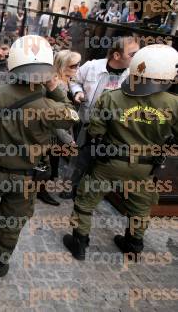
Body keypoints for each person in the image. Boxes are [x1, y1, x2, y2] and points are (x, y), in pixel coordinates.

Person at [0, 35, 80, 285]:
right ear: (46, 71)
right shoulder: (49, 106)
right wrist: (56, 89)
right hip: (25, 178)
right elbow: (72, 117)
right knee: (11, 224)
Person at [63, 45, 178, 261]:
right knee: (140, 208)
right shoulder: (174, 103)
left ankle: (79, 243)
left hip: (109, 162)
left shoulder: (113, 97)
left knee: (86, 202)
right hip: (145, 167)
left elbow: (95, 132)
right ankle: (133, 245)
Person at [70, 34, 140, 107]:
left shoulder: (133, 77)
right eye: (133, 54)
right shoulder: (92, 66)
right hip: (83, 116)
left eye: (138, 53)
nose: (137, 57)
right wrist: (78, 91)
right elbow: (73, 80)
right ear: (117, 56)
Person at [53, 50, 82, 200]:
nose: (77, 68)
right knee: (49, 164)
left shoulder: (67, 81)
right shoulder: (58, 85)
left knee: (53, 162)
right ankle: (41, 192)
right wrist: (67, 139)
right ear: (62, 65)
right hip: (55, 133)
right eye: (73, 65)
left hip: (63, 130)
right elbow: (54, 116)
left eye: (78, 65)